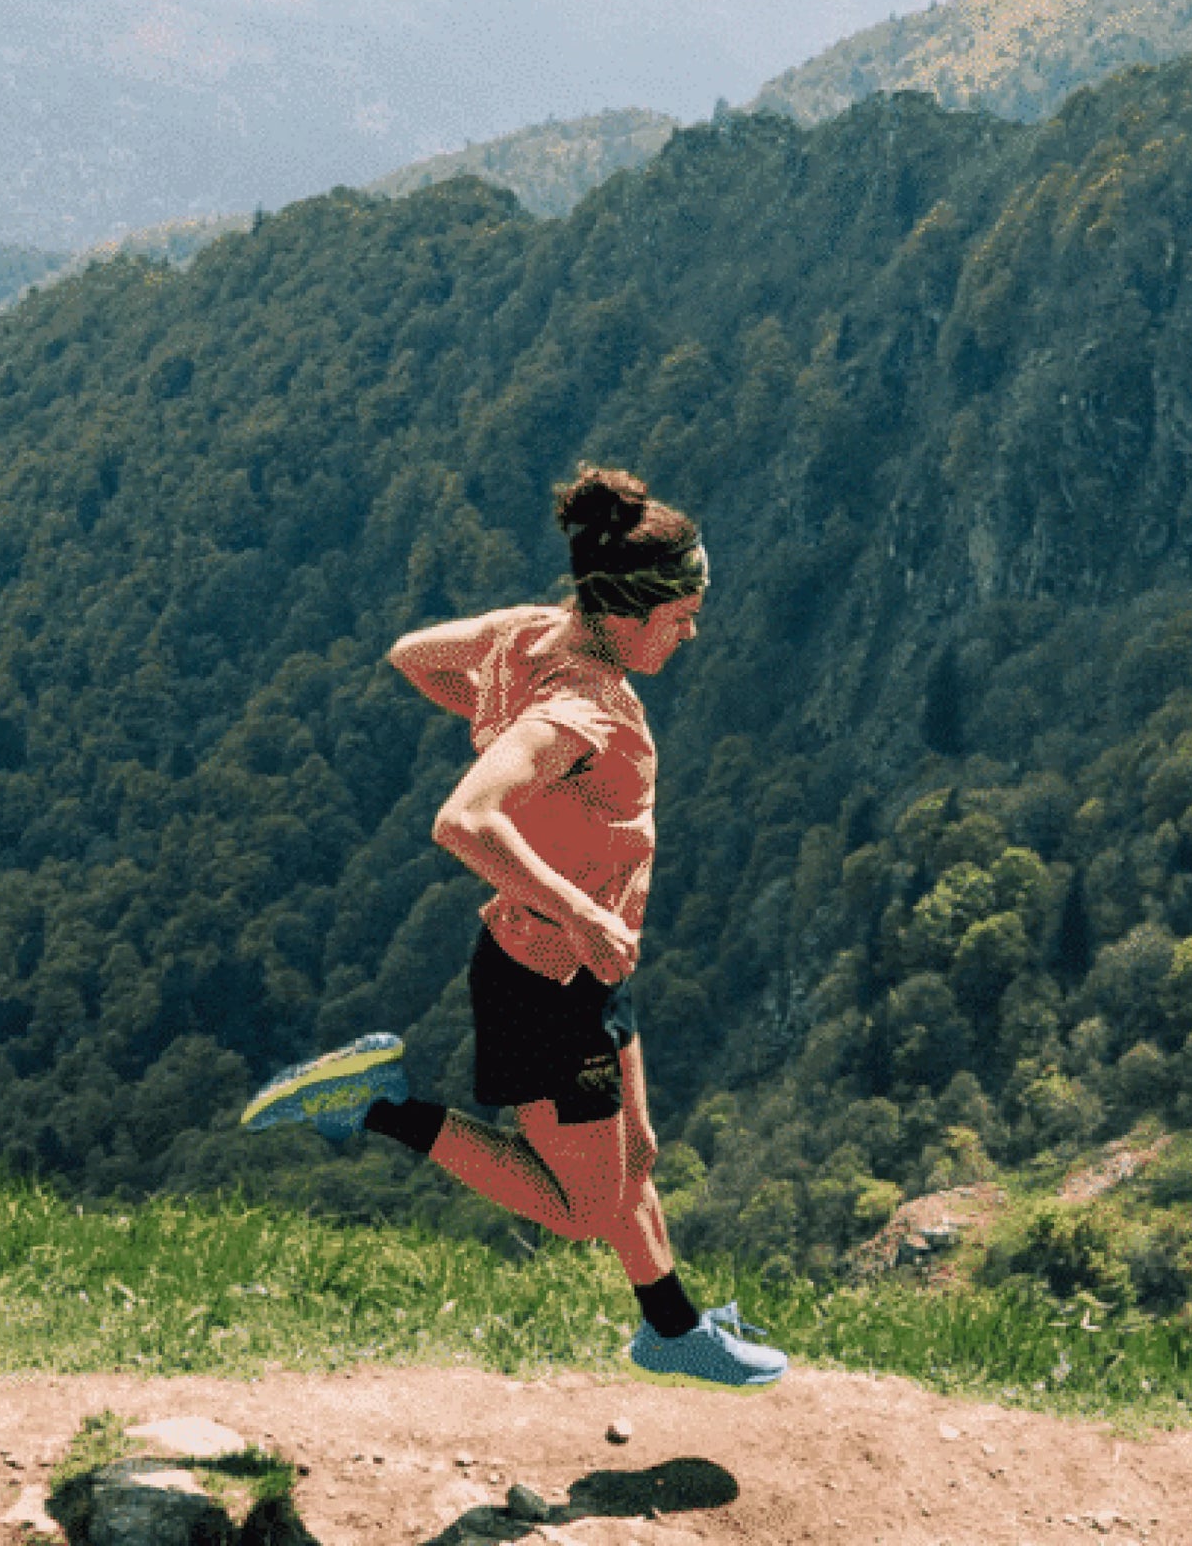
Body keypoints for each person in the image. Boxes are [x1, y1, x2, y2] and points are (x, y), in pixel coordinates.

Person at [242, 464, 787, 1390]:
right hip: (546, 980)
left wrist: (499, 711)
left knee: (637, 1157)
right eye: (681, 615)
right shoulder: (580, 711)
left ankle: (673, 1330)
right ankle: (375, 1103)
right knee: (580, 1207)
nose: (692, 632)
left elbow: (414, 654)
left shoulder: (534, 635)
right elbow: (464, 820)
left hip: (590, 973)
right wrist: (577, 909)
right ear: (624, 612)